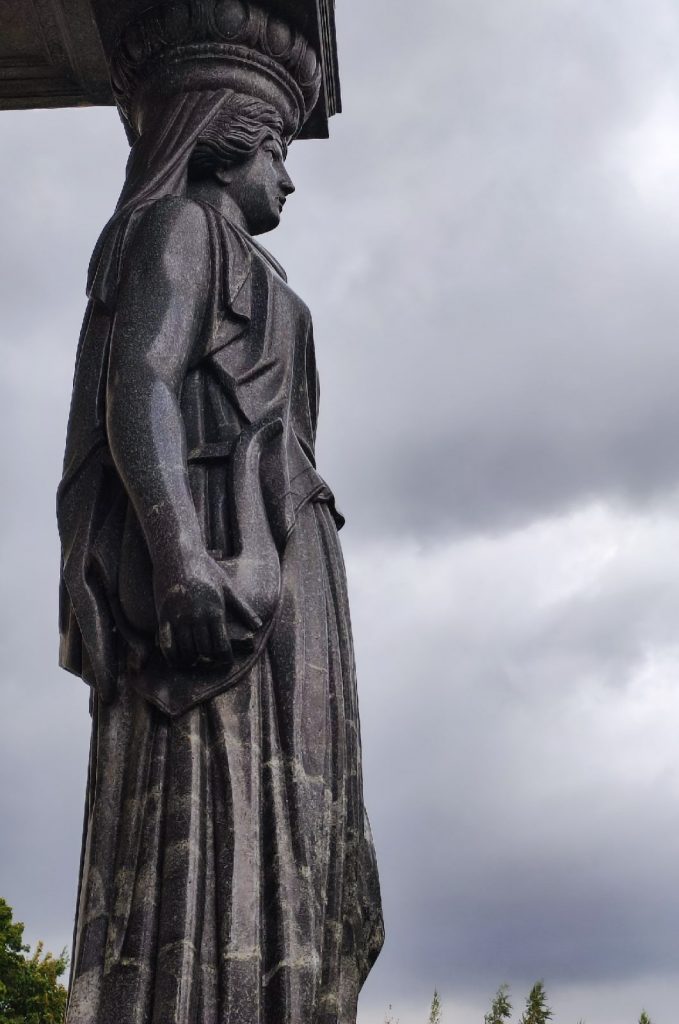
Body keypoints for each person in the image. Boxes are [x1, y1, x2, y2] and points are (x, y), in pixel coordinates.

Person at [57, 80, 384, 1024]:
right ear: (219, 144)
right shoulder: (181, 230)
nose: (288, 177)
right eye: (276, 151)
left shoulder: (254, 263)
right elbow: (142, 379)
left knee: (304, 818)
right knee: (218, 784)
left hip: (285, 548)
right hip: (221, 542)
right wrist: (177, 553)